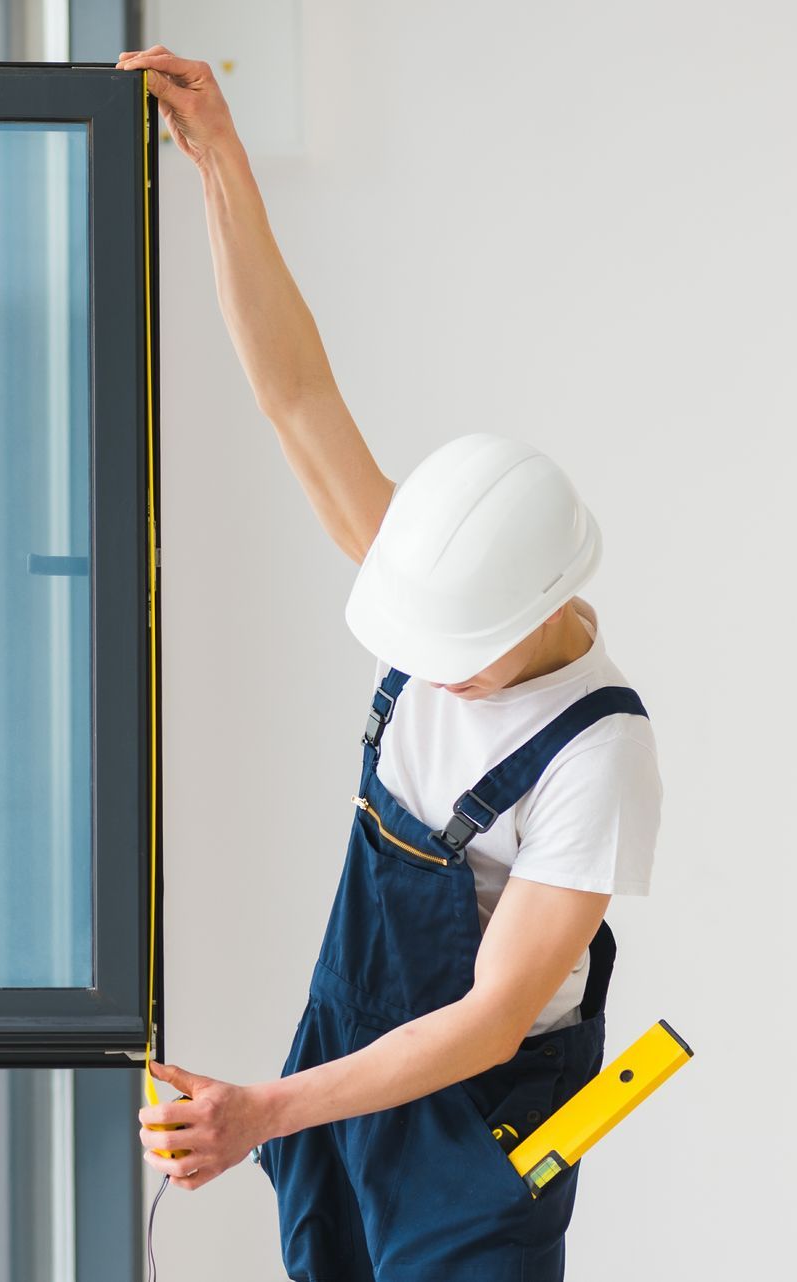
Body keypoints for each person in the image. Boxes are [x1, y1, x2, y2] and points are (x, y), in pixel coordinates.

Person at [119, 47, 664, 1280]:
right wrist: (219, 159)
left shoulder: (602, 753)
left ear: (543, 606)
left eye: (455, 661)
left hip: (479, 1118)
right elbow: (297, 394)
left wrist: (261, 1109)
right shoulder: (438, 587)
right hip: (346, 1049)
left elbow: (488, 1019)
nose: (432, 669)